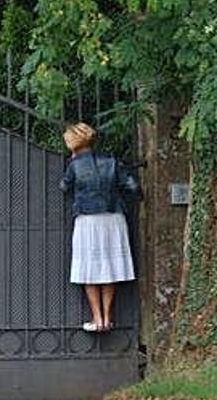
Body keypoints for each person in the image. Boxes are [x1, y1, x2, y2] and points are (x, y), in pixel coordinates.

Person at [60, 122, 139, 333]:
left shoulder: (75, 165)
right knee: (109, 267)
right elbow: (132, 186)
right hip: (113, 217)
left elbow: (64, 186)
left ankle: (97, 319)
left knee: (89, 269)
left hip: (88, 219)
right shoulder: (111, 161)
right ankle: (107, 317)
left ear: (73, 144)